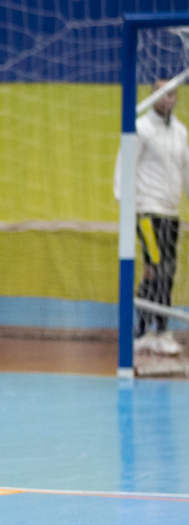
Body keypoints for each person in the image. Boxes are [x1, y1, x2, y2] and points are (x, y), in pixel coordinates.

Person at [115, 79, 189, 356]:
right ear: (152, 96)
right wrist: (126, 205)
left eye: (172, 94)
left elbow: (185, 170)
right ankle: (161, 332)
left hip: (170, 213)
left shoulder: (180, 131)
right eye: (162, 94)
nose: (167, 99)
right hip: (147, 211)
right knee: (159, 270)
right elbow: (124, 166)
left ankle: (143, 332)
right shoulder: (140, 128)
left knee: (162, 273)